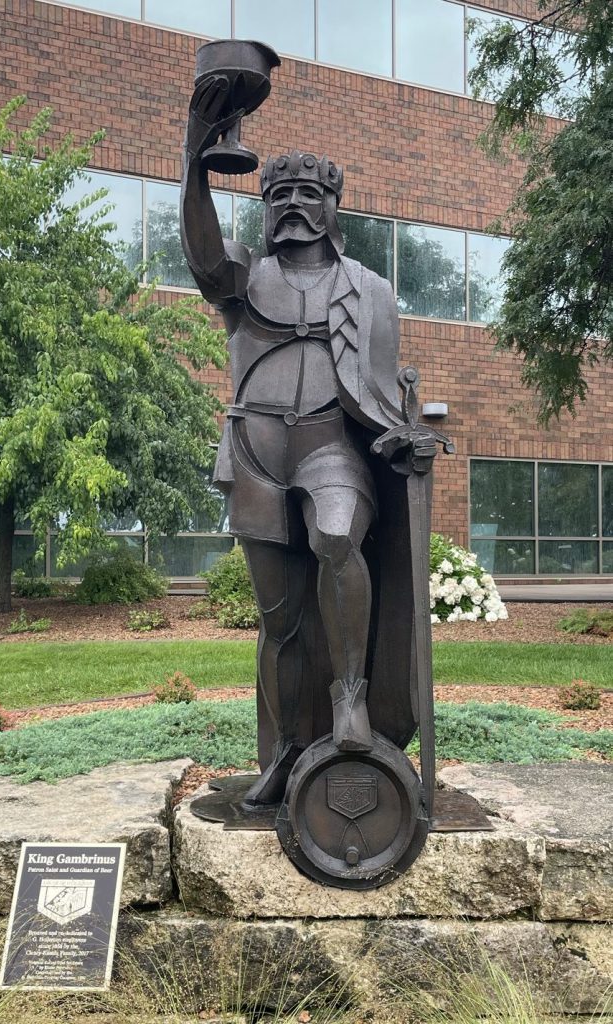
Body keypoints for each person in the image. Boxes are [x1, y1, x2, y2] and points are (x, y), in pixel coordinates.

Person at [181, 78, 438, 808]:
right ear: (265, 211)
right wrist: (193, 161)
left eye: (309, 196)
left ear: (332, 209)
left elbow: (384, 393)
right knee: (280, 620)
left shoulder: (369, 287)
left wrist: (407, 439)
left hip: (333, 445)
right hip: (256, 448)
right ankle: (288, 749)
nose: (293, 205)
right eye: (278, 196)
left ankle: (351, 701)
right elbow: (200, 251)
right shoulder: (244, 276)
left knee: (336, 538)